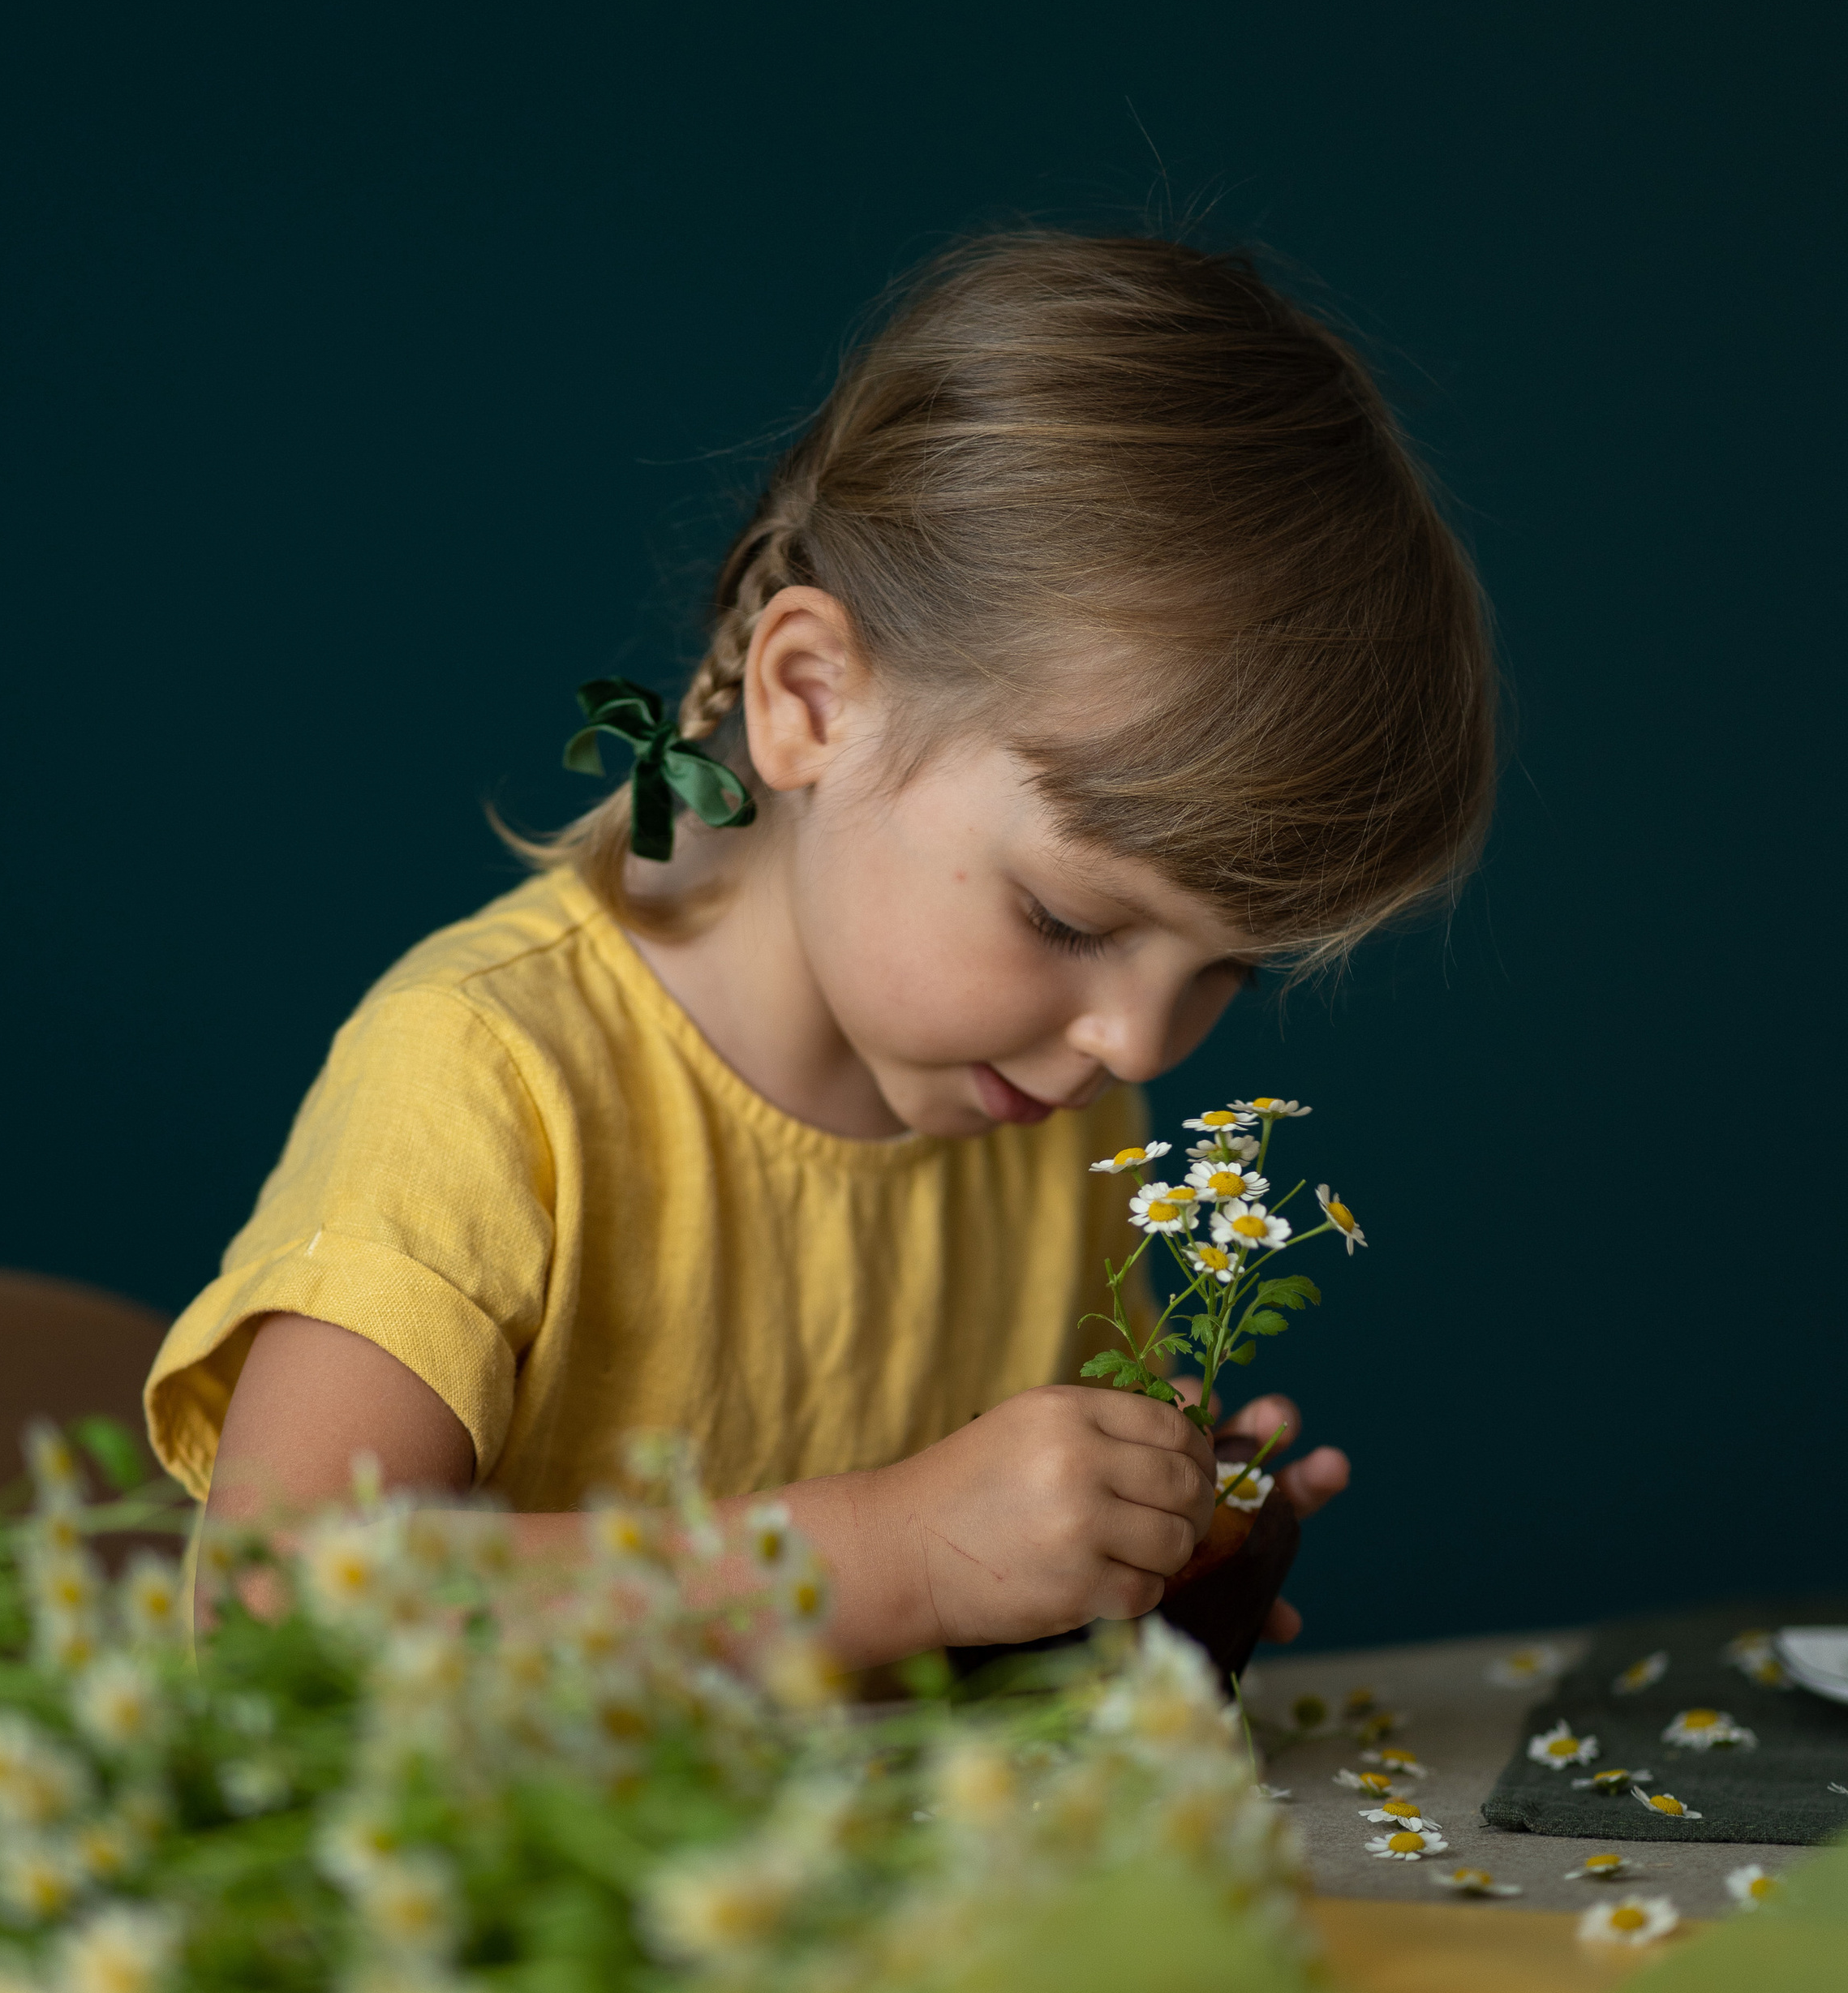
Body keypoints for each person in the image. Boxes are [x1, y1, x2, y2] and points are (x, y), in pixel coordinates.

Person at [145, 233, 1493, 1666]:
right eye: (1071, 921)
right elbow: (275, 1611)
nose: (1140, 1044)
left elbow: (962, 1632)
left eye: (1226, 971)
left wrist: (1140, 1549)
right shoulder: (486, 1075)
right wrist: (887, 1556)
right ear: (810, 701)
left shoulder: (1048, 1111)